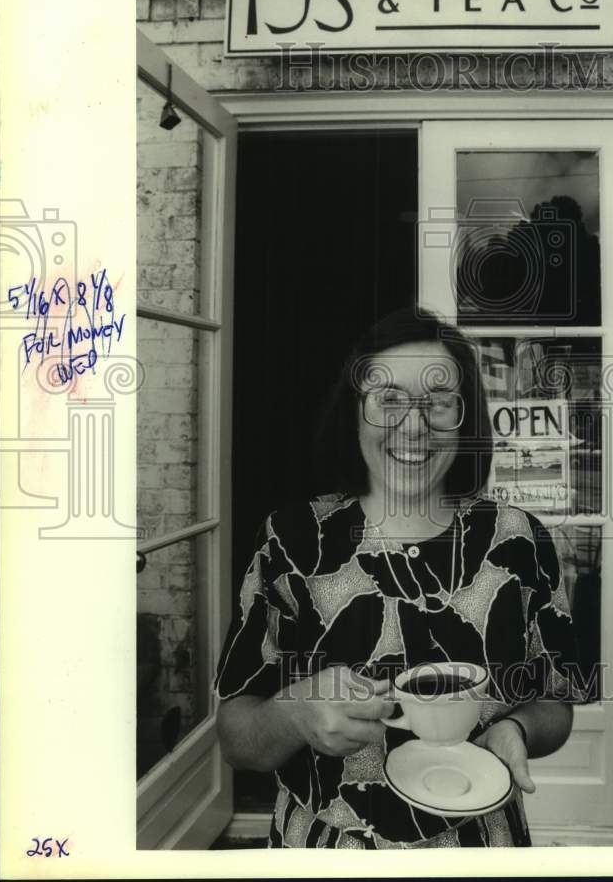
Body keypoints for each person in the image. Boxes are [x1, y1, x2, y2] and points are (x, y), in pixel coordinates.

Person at [214, 307, 582, 848]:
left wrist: (518, 728)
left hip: (481, 845)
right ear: (355, 413)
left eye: (438, 402)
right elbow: (236, 737)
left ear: (466, 417)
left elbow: (556, 703)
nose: (413, 426)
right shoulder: (290, 540)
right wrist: (293, 715)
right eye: (389, 400)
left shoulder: (517, 539)